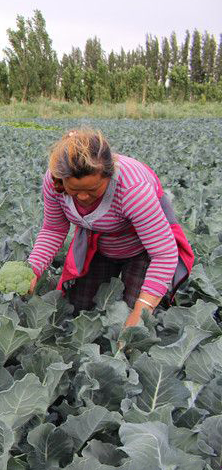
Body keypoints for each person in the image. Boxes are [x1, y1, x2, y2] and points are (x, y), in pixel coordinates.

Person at [26, 128, 194, 327]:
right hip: (98, 246)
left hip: (142, 251)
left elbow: (163, 254)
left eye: (92, 190)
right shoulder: (54, 182)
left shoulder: (132, 189)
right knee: (80, 312)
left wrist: (142, 309)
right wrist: (33, 269)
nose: (83, 197)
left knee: (134, 322)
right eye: (75, 190)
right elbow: (53, 230)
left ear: (108, 175)